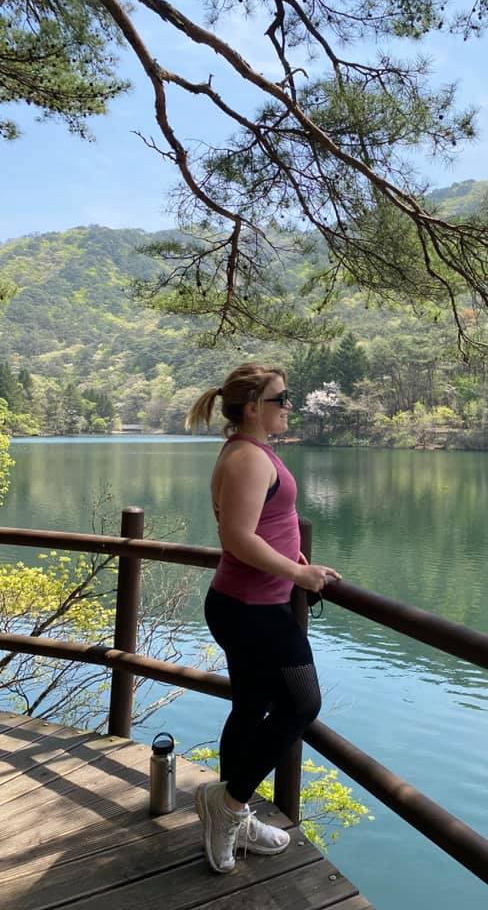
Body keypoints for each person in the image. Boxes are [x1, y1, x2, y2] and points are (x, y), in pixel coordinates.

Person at [185, 362, 340, 873]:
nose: (289, 406)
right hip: (254, 611)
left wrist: (290, 556)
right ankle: (227, 806)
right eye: (281, 398)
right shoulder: (249, 458)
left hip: (242, 604)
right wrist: (298, 577)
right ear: (253, 407)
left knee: (250, 707)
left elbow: (264, 526)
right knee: (302, 704)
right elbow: (237, 538)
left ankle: (234, 814)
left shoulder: (249, 452)